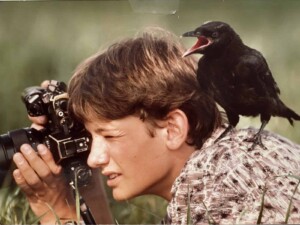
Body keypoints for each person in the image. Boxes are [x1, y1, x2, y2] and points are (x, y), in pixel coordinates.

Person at [12, 28, 300, 224]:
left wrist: (54, 210)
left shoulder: (217, 193)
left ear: (173, 128)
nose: (95, 158)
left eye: (109, 135)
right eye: (91, 136)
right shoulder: (230, 161)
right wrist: (84, 187)